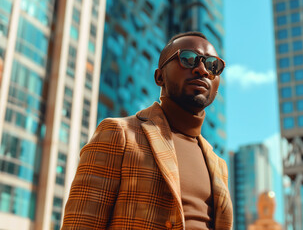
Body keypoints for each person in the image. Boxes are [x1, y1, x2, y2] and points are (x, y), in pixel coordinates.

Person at [62, 31, 233, 230]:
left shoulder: (218, 165)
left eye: (213, 65)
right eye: (188, 59)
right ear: (159, 77)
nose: (202, 70)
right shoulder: (120, 133)